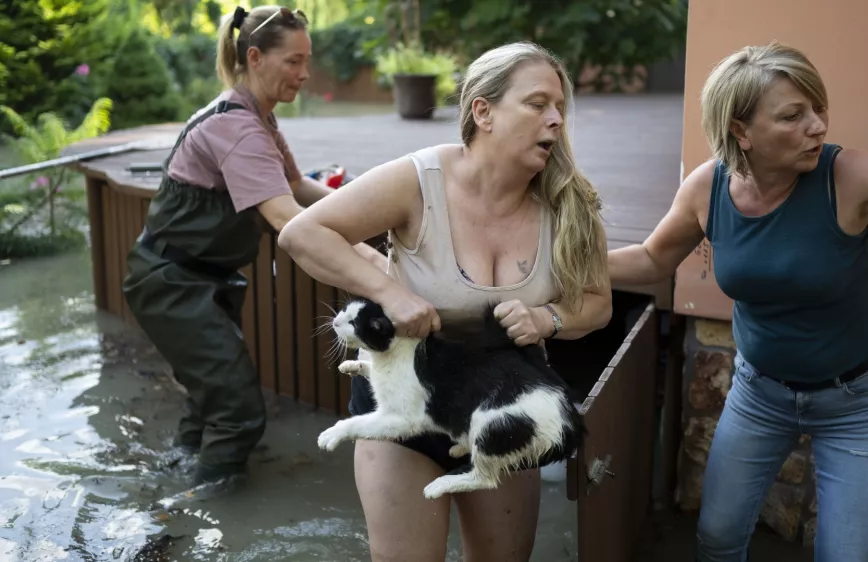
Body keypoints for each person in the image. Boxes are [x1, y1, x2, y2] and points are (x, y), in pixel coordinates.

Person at [608, 42, 868, 562]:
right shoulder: (708, 188)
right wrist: (557, 264)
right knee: (718, 537)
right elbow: (653, 259)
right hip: (758, 394)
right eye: (794, 115)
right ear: (740, 131)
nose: (817, 125)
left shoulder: (850, 178)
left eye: (818, 108)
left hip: (856, 401)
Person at [278, 41, 612, 561]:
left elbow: (598, 303)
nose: (555, 120)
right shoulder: (418, 180)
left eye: (561, 108)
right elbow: (304, 233)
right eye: (538, 103)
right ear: (483, 111)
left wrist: (548, 317)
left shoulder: (571, 203)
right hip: (402, 408)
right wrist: (390, 293)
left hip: (504, 410)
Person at [122, 5, 384, 487]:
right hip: (172, 282)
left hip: (198, 278)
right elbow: (288, 220)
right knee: (239, 413)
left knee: (211, 399)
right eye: (294, 61)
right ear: (257, 57)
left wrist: (374, 211)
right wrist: (372, 263)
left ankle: (176, 475)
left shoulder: (256, 116)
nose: (305, 74)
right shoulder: (238, 128)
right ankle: (204, 516)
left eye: (307, 61)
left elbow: (296, 185)